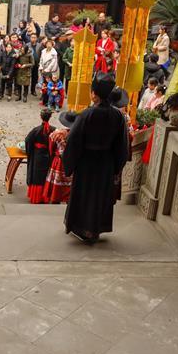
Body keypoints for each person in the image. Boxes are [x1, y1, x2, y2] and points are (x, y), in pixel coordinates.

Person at [63, 74, 130, 243]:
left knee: (84, 195)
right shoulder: (118, 116)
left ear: (94, 94)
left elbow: (73, 140)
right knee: (100, 196)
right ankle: (96, 229)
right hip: (106, 161)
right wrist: (117, 166)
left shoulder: (87, 114)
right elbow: (122, 144)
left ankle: (81, 228)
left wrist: (69, 163)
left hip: (86, 161)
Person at [43, 110, 77, 204]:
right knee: (70, 184)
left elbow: (51, 149)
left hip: (59, 161)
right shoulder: (78, 134)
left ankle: (55, 200)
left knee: (57, 185)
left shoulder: (56, 134)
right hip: (73, 163)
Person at [25, 108, 53, 204]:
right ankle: (46, 197)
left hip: (37, 156)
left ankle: (36, 197)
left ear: (41, 117)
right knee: (46, 176)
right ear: (50, 117)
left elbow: (28, 141)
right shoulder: (53, 130)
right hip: (48, 155)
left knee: (36, 177)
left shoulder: (36, 130)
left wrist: (30, 152)